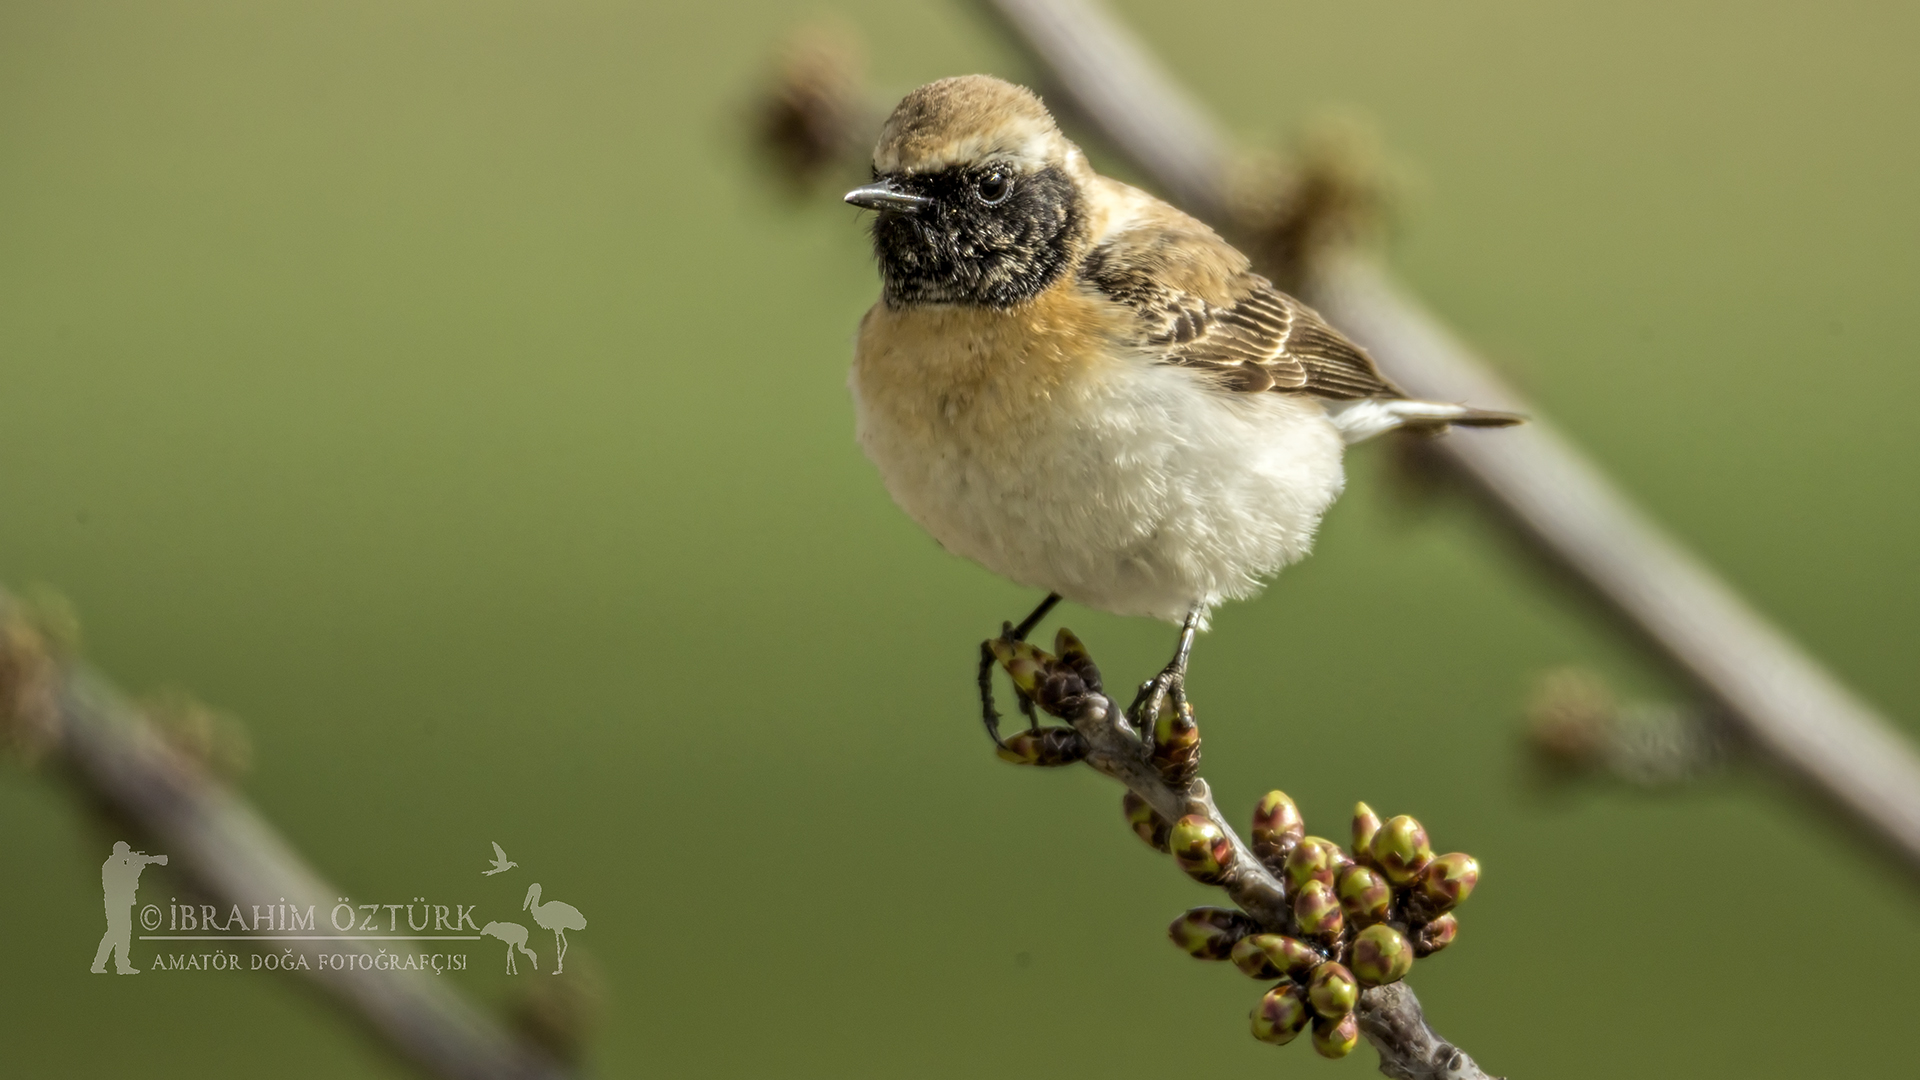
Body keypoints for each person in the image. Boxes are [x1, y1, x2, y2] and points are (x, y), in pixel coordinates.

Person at [91, 841, 166, 974]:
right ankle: (100, 964)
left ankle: (121, 965)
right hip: (116, 903)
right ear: (118, 852)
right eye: (126, 851)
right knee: (114, 933)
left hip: (123, 902)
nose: (128, 854)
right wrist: (136, 868)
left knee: (123, 934)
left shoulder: (120, 864)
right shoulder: (112, 865)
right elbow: (126, 881)